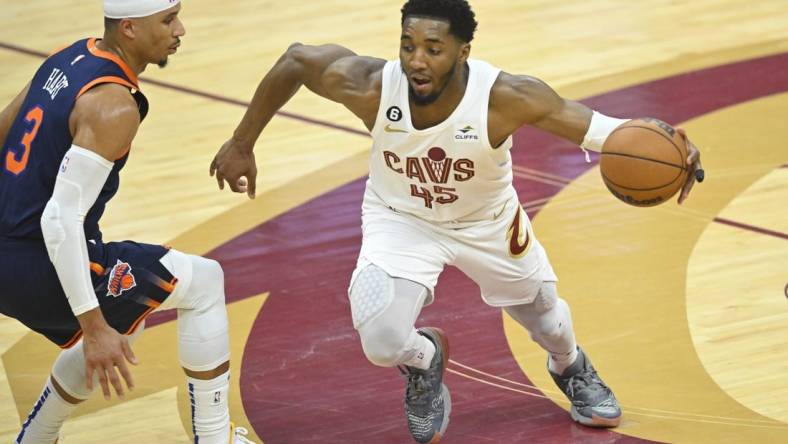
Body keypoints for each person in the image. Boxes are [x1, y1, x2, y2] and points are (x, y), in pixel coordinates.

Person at [210, 0, 703, 442]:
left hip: (486, 223)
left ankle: (572, 367)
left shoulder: (506, 96)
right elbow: (296, 59)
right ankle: (425, 359)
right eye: (407, 46)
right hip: (400, 219)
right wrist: (241, 142)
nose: (416, 60)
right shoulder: (371, 86)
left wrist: (669, 148)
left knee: (546, 319)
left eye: (433, 48)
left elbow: (598, 129)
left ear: (463, 51)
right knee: (381, 342)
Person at [0, 1, 254, 443]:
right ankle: (214, 438)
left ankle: (36, 438)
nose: (181, 29)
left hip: (8, 254)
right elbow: (59, 222)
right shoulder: (114, 106)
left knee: (125, 316)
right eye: (168, 20)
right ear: (131, 28)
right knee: (204, 282)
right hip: (38, 261)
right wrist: (94, 327)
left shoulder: (66, 56)